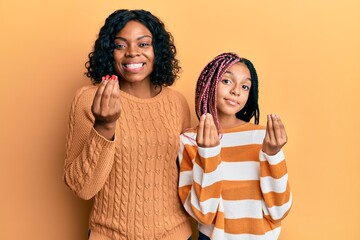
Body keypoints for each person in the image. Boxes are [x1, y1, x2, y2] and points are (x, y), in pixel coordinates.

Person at [63, 9, 193, 240]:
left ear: (158, 51)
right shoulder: (88, 99)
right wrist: (104, 125)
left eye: (143, 44)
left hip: (174, 233)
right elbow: (82, 188)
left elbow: (190, 174)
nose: (132, 53)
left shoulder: (177, 103)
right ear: (109, 53)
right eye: (120, 45)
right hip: (109, 234)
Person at [178, 52, 292, 240]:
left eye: (245, 86)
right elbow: (203, 214)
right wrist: (208, 152)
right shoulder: (189, 140)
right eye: (227, 81)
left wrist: (273, 155)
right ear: (210, 83)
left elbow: (279, 210)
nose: (236, 91)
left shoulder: (263, 137)